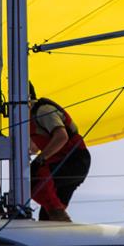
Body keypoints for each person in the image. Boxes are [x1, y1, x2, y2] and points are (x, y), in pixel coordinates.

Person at [29, 82, 91, 222]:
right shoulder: (28, 119)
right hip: (63, 161)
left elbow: (62, 136)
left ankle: (59, 216)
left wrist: (40, 159)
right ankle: (59, 223)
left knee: (33, 179)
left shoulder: (42, 111)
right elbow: (33, 147)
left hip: (74, 160)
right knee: (46, 217)